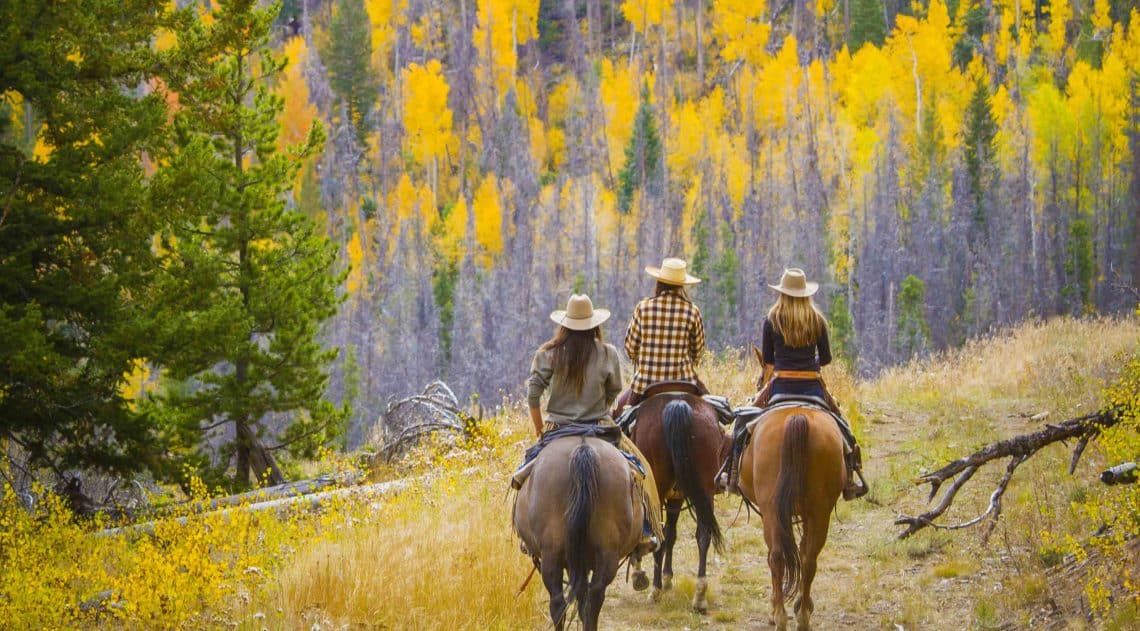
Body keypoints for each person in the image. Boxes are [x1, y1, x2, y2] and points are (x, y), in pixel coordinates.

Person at [523, 294, 662, 559]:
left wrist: (539, 429)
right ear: (593, 325)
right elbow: (614, 391)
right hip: (599, 425)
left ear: (564, 324)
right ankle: (644, 531)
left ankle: (527, 532)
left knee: (523, 474)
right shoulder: (607, 353)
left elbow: (533, 394)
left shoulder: (548, 353)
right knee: (640, 472)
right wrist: (600, 406)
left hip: (557, 427)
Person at [726, 268, 867, 499]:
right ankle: (851, 477)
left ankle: (731, 475)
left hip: (780, 386)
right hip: (813, 387)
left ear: (782, 292)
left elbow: (769, 361)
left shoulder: (772, 319)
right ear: (805, 293)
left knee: (741, 425)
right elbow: (827, 359)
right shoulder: (817, 320)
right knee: (844, 427)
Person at [615, 257, 707, 417]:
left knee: (621, 422)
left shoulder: (643, 308)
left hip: (645, 383)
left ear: (659, 282)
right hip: (685, 381)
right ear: (681, 285)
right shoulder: (692, 311)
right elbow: (698, 351)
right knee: (715, 414)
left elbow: (630, 347)